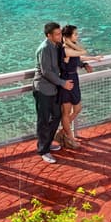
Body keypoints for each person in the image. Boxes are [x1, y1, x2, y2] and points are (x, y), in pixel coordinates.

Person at [33, 21, 74, 164]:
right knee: (43, 120)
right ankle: (43, 150)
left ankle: (48, 142)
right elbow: (46, 72)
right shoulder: (44, 48)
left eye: (60, 33)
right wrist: (63, 83)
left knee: (56, 115)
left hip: (53, 89)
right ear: (48, 35)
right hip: (43, 89)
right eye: (57, 34)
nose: (60, 35)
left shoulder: (56, 46)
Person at [57, 25, 102, 149]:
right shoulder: (65, 49)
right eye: (75, 34)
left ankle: (61, 133)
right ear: (67, 37)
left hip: (74, 79)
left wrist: (91, 60)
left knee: (77, 108)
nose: (77, 36)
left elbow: (78, 57)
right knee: (66, 112)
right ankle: (70, 138)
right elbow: (82, 52)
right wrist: (68, 42)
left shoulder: (70, 49)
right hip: (66, 81)